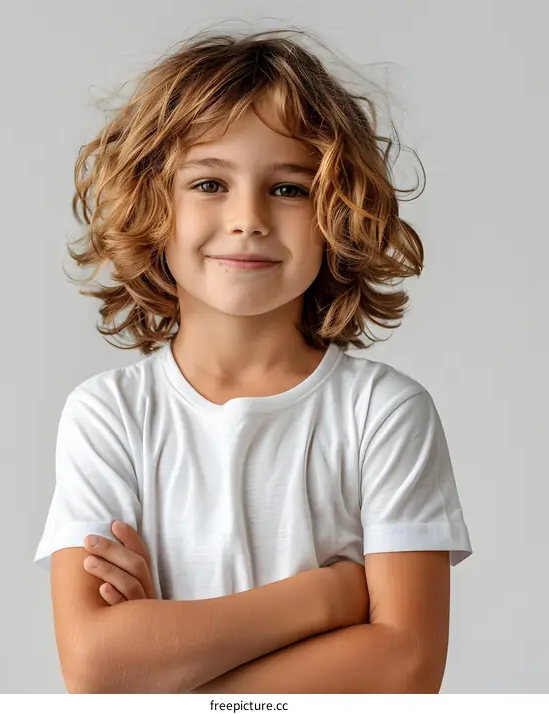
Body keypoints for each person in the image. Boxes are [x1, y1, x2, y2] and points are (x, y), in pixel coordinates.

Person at [33, 28, 472, 694]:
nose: (248, 218)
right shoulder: (109, 415)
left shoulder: (384, 414)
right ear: (153, 206)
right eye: (210, 182)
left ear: (338, 212)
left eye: (290, 189)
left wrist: (170, 672)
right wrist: (327, 596)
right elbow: (96, 666)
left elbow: (406, 668)